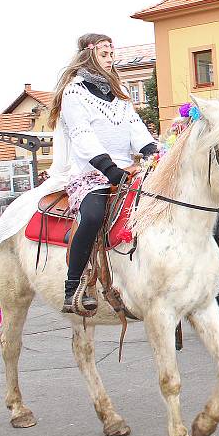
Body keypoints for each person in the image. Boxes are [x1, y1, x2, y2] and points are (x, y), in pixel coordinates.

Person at [48, 33, 158, 313]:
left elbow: (136, 127)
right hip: (92, 171)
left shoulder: (119, 93)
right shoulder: (74, 93)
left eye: (112, 54)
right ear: (89, 54)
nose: (111, 59)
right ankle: (73, 286)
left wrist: (153, 153)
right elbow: (83, 137)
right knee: (94, 214)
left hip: (128, 169)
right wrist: (110, 170)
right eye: (105, 54)